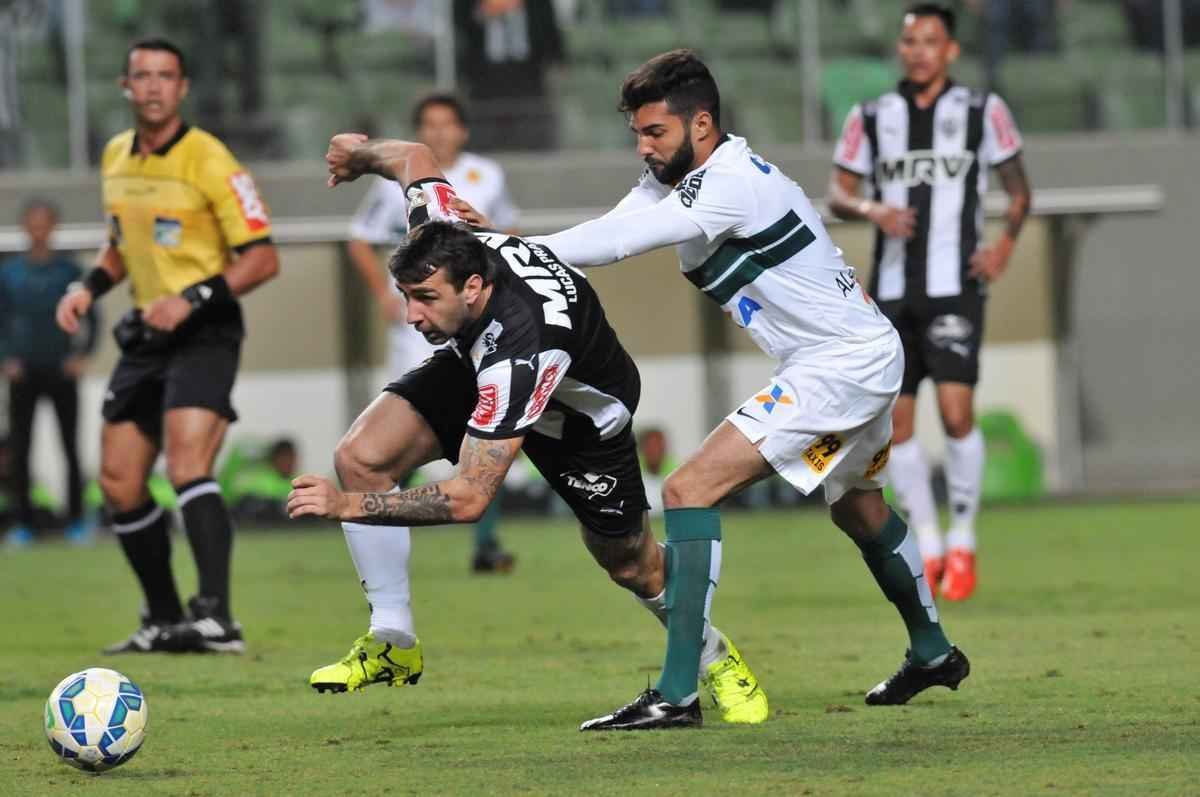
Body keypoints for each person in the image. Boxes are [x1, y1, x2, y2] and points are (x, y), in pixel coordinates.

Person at [456, 48, 968, 729]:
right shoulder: (677, 176)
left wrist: (502, 249)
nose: (643, 146)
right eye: (637, 133)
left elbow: (621, 245)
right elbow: (613, 226)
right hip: (856, 357)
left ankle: (677, 691)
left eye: (654, 132)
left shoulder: (731, 181)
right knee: (859, 509)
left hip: (842, 365)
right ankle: (933, 652)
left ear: (701, 123)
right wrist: (510, 242)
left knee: (686, 489)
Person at [286, 133, 767, 728]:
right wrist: (360, 156)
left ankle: (714, 654)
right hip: (482, 367)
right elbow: (412, 157)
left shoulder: (522, 350)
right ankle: (392, 642)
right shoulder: (448, 236)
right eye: (406, 296)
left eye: (425, 299)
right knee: (362, 452)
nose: (412, 315)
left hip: (581, 418)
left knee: (629, 564)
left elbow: (469, 498)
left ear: (472, 287)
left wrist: (346, 505)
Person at [55, 37, 280, 653]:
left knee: (186, 464)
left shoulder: (211, 159)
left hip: (205, 330)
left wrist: (193, 298)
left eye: (165, 76)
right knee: (120, 481)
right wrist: (88, 286)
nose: (153, 86)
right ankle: (161, 617)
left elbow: (262, 258)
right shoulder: (115, 157)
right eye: (142, 76)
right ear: (126, 87)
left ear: (182, 88)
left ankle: (217, 619)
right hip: (145, 335)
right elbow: (120, 246)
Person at [826, 3, 1031, 602]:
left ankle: (964, 538)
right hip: (890, 290)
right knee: (901, 425)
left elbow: (1019, 192)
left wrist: (1004, 249)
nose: (917, 49)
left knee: (958, 411)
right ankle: (934, 545)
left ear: (951, 50)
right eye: (909, 39)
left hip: (955, 285)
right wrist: (873, 210)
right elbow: (840, 192)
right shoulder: (870, 116)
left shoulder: (981, 111)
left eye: (929, 40)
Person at [347, 93, 520, 573]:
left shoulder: (488, 176)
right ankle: (386, 530)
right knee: (401, 440)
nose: (440, 133)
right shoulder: (398, 184)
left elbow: (507, 236)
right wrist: (384, 296)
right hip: (418, 333)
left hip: (482, 333)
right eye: (429, 125)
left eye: (447, 124)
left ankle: (486, 544)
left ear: (462, 130)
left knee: (488, 439)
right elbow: (360, 238)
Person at [1, 199, 98, 546]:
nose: (39, 230)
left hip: (61, 370)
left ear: (53, 227)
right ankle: (23, 524)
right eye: (33, 223)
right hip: (23, 372)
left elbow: (92, 316)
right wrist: (5, 359)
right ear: (26, 227)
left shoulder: (69, 271)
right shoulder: (8, 273)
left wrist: (82, 354)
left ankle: (76, 520)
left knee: (70, 447)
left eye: (45, 223)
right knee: (20, 449)